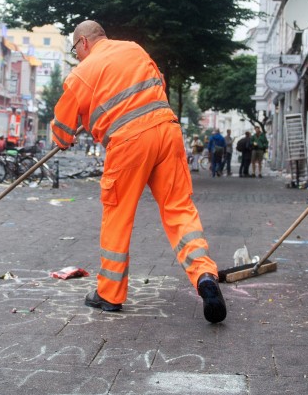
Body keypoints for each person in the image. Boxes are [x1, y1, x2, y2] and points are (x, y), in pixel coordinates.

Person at [50, 20, 226, 323]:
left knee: (118, 214)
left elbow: (62, 131)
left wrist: (70, 130)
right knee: (179, 209)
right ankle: (205, 275)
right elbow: (158, 85)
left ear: (84, 43)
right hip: (167, 131)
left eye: (75, 49)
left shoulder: (82, 73)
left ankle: (109, 294)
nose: (77, 55)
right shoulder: (134, 49)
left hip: (129, 142)